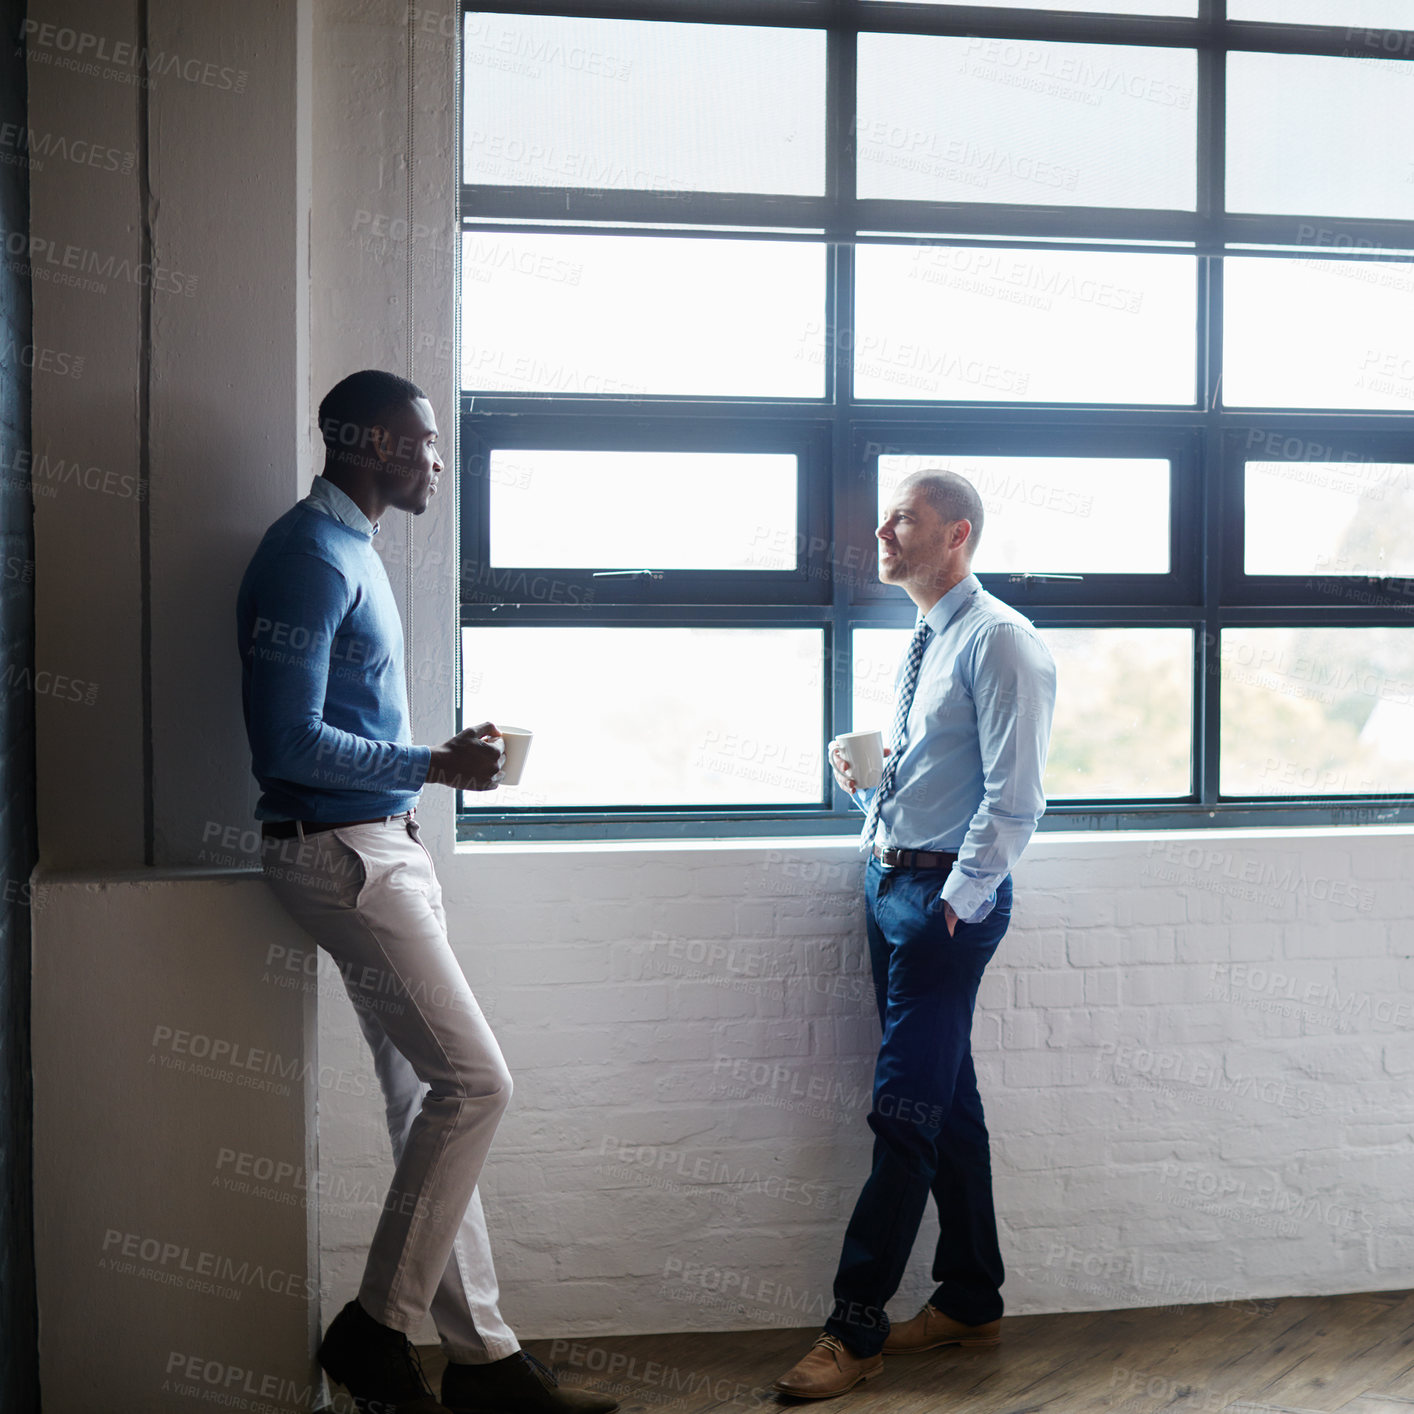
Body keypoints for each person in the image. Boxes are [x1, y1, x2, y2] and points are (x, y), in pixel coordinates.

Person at [237, 369, 617, 1414]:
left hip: (378, 844)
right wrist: (433, 763)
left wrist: (432, 765)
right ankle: (374, 1327)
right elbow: (285, 742)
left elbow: (342, 720)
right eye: (425, 443)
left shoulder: (350, 546)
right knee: (479, 1085)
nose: (438, 460)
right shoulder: (310, 558)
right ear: (369, 444)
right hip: (344, 854)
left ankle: (486, 1363)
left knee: (428, 1102)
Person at [773, 470, 1057, 1400]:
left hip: (943, 907)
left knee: (904, 1111)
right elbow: (946, 778)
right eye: (885, 518)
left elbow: (1017, 800)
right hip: (891, 882)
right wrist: (874, 791)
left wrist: (958, 898)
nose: (882, 532)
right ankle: (972, 1299)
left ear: (956, 536)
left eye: (904, 519)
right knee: (946, 1101)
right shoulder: (929, 637)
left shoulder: (1003, 642)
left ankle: (854, 1328)